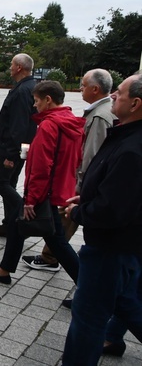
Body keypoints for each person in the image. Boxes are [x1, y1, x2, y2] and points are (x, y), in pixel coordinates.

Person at [62, 73, 142, 365]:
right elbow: (118, 189)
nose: (113, 97)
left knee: (88, 319)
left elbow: (114, 209)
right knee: (127, 304)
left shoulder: (133, 148)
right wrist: (89, 197)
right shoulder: (127, 134)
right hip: (121, 247)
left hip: (111, 249)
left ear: (135, 104)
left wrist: (81, 211)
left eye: (119, 93)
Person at [0, 81, 84, 285]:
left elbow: (41, 167)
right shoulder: (70, 121)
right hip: (59, 187)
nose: (34, 106)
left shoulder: (49, 125)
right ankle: (4, 269)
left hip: (46, 191)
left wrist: (31, 199)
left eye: (36, 101)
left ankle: (86, 284)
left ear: (48, 100)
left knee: (57, 241)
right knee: (19, 225)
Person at [22, 69, 114, 272]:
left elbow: (90, 155)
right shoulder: (77, 116)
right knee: (56, 231)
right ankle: (18, 264)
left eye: (83, 85)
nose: (80, 89)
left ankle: (70, 272)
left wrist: (81, 184)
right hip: (65, 184)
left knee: (57, 233)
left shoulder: (98, 116)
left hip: (66, 187)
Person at [0, 54, 37, 237]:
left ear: (19, 68)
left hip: (13, 148)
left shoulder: (23, 91)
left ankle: (23, 212)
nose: (10, 68)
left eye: (12, 65)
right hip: (19, 147)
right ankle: (10, 224)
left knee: (0, 182)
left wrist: (10, 154)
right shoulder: (28, 86)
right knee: (9, 183)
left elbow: (19, 125)